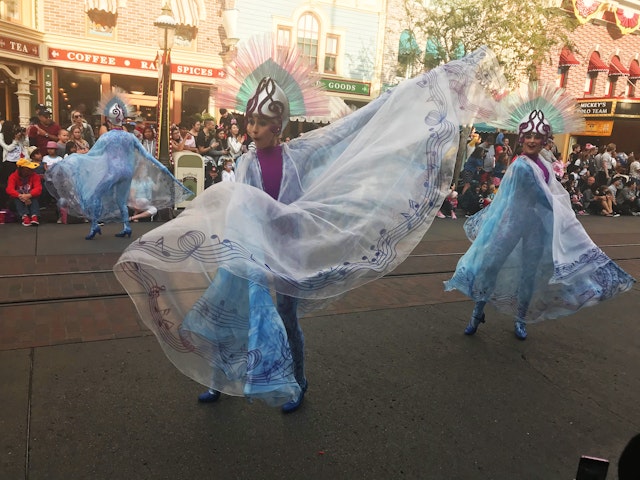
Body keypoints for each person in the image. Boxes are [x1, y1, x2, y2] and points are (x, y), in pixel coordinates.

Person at [113, 37, 507, 412]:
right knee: (228, 312)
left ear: (278, 125)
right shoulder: (247, 160)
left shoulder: (297, 153)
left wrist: (397, 97)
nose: (253, 128)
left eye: (262, 122)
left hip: (287, 247)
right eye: (250, 120)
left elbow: (348, 132)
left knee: (286, 317)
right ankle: (219, 380)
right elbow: (239, 200)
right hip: (249, 247)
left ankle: (298, 382)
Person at [445, 83, 634, 340]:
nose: (532, 140)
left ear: (544, 140)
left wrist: (563, 211)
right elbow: (543, 198)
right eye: (528, 136)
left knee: (529, 274)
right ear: (522, 138)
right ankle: (477, 312)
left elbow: (554, 193)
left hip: (536, 227)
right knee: (490, 266)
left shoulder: (545, 163)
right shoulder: (521, 165)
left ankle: (520, 319)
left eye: (537, 137)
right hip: (511, 223)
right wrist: (567, 219)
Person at [44, 88, 192, 240]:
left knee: (96, 195)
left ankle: (95, 225)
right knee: (122, 201)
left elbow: (91, 154)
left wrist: (71, 159)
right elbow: (147, 155)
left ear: (109, 120)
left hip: (112, 171)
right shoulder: (130, 137)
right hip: (126, 172)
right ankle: (126, 227)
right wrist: (163, 169)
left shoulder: (106, 137)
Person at [6, 157, 42, 226]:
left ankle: (34, 216)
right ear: (22, 169)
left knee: (34, 198)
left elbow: (38, 188)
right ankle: (24, 216)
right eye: (28, 169)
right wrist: (20, 196)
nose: (31, 170)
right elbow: (9, 189)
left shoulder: (35, 176)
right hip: (18, 199)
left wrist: (29, 195)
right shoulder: (13, 176)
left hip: (30, 197)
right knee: (18, 199)